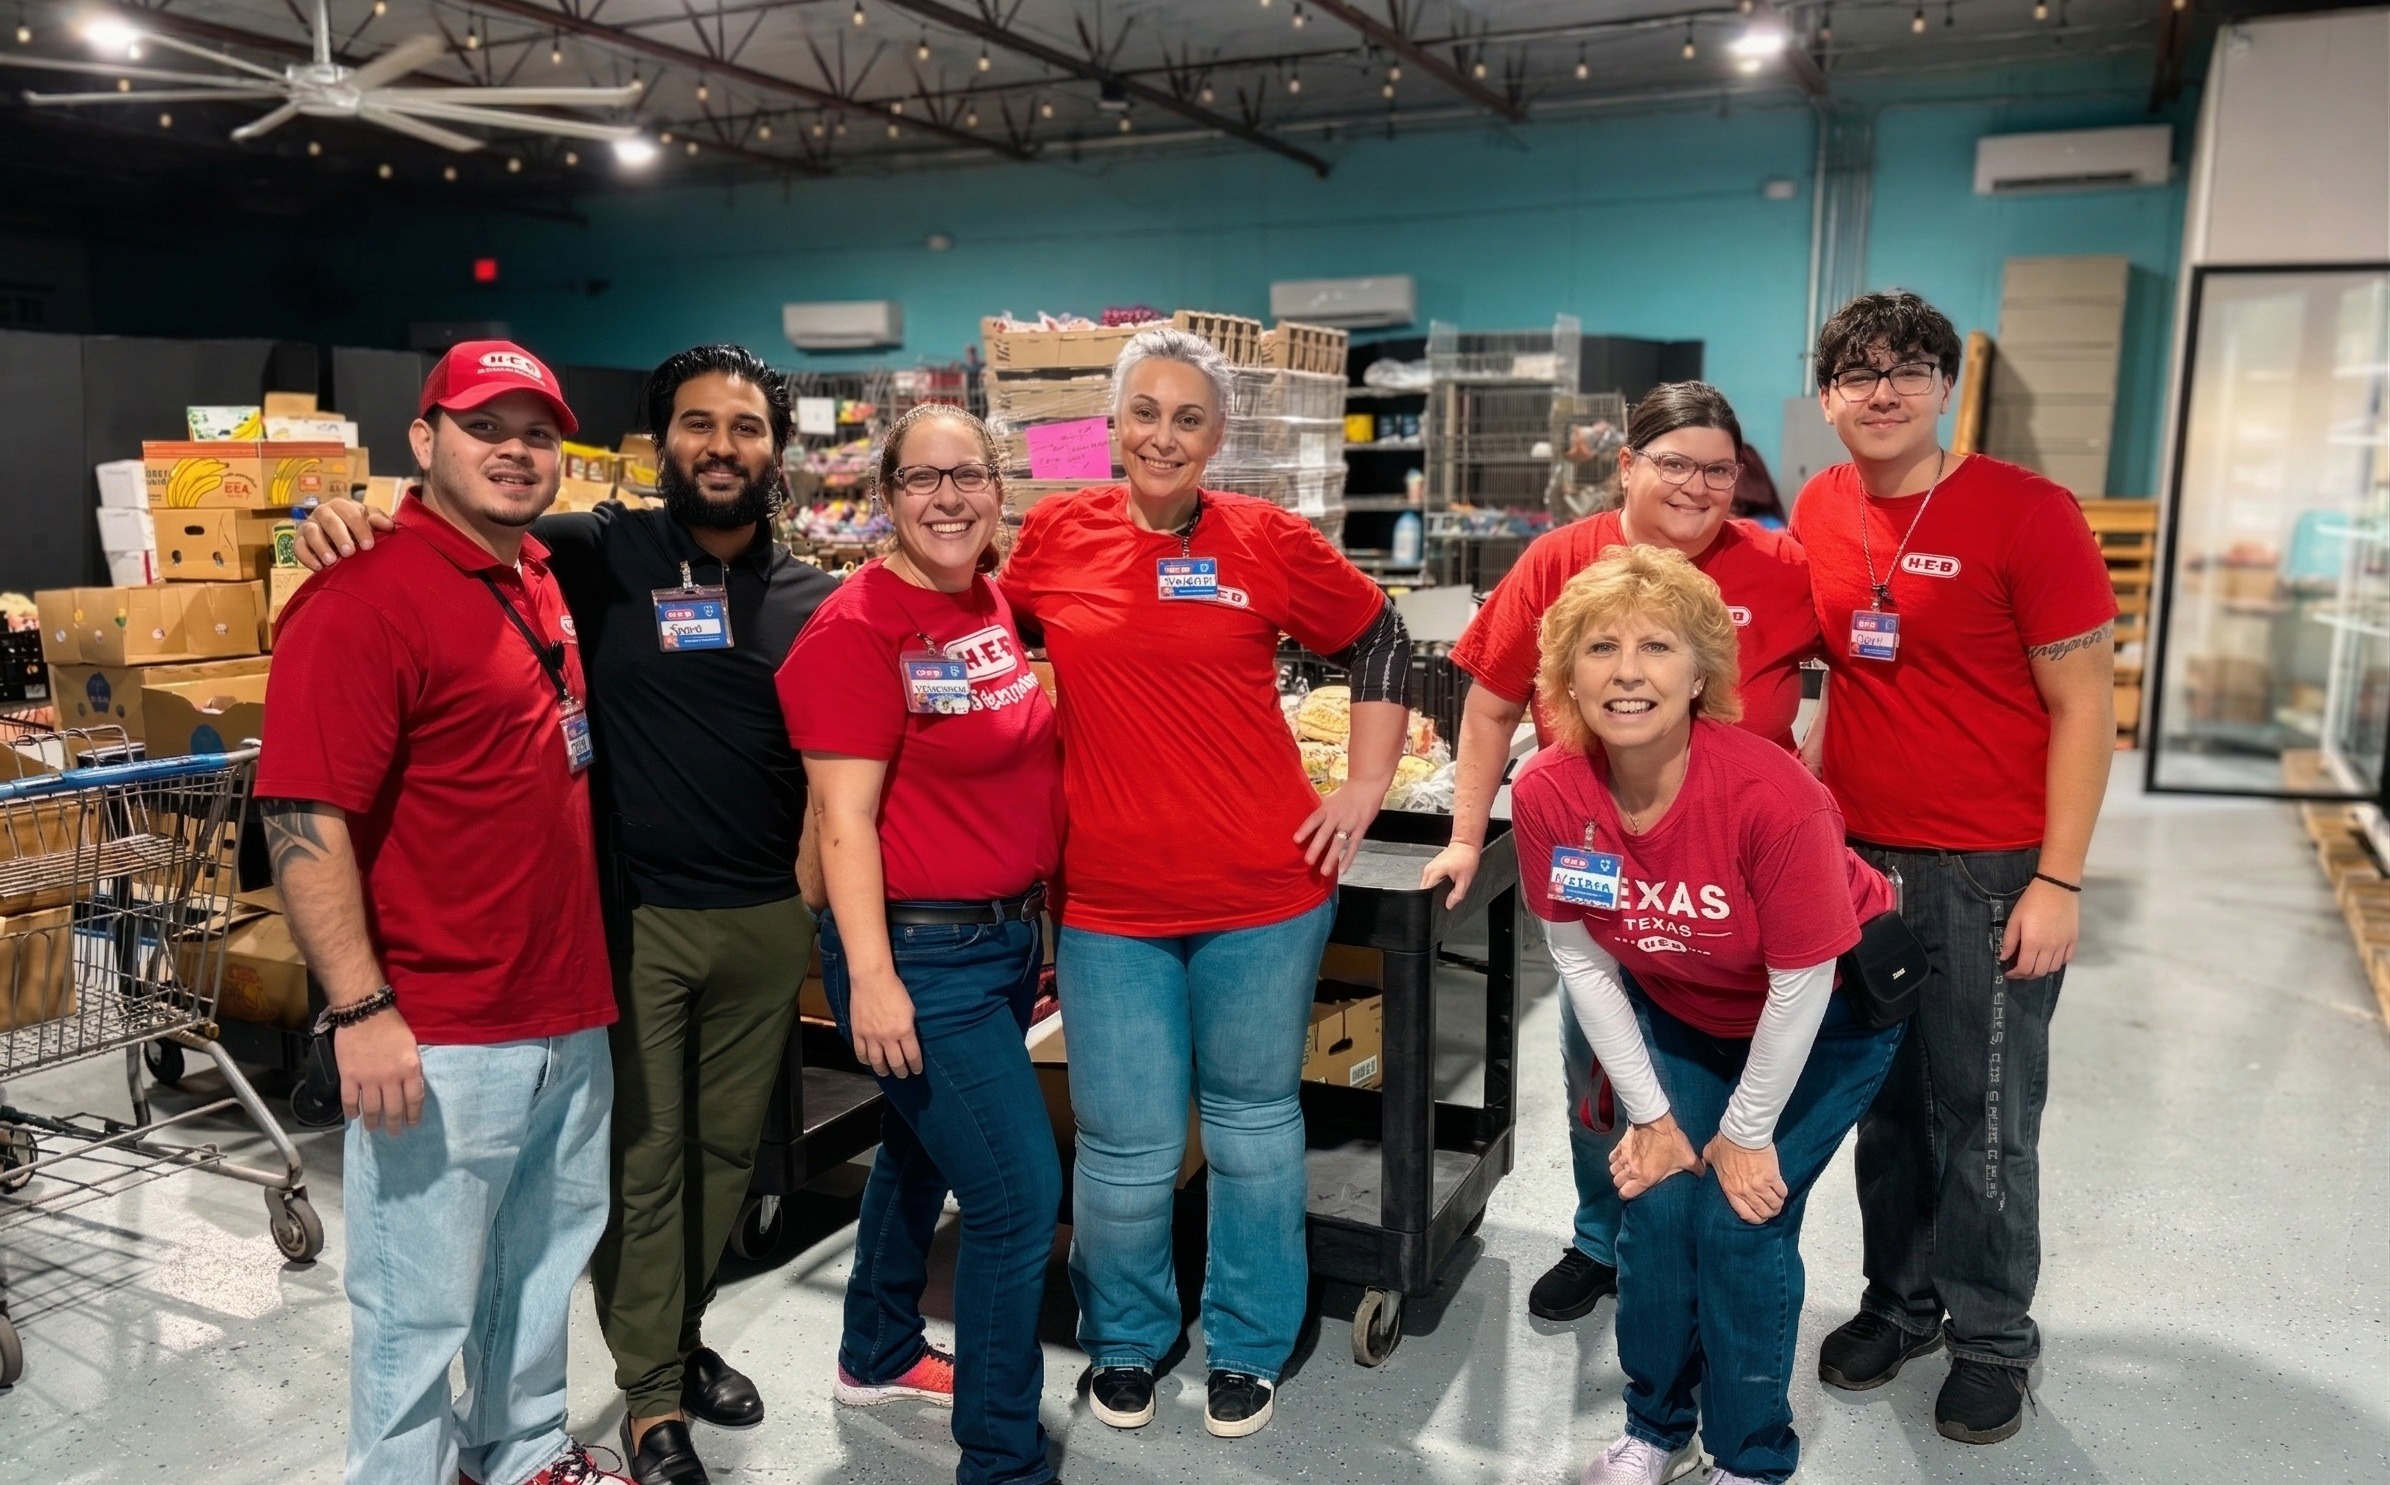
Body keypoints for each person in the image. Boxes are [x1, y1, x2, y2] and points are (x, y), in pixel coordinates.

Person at [293, 346, 839, 1485]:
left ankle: (551, 1429)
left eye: (745, 428)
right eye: (697, 424)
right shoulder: (591, 552)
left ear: (777, 453)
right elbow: (307, 805)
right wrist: (338, 517)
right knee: (468, 1267)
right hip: (574, 951)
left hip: (619, 966)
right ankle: (627, 1398)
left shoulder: (788, 595)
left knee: (608, 1215)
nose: (721, 447)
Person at [998, 325, 1412, 1439]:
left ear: (1218, 434)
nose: (1163, 436)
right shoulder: (1052, 536)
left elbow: (1381, 637)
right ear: (1111, 425)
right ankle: (1126, 1338)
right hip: (1105, 903)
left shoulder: (1264, 540)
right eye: (1145, 413)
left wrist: (1362, 789)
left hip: (1261, 891)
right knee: (1125, 1147)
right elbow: (983, 639)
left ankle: (1247, 1341)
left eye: (1188, 417)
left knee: (1251, 1125)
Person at [258, 342, 629, 1485]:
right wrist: (361, 1008)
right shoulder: (360, 597)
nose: (515, 451)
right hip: (441, 1023)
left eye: (536, 432)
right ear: (422, 443)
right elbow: (301, 816)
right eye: (484, 426)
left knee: (537, 1266)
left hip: (564, 1004)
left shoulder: (531, 574)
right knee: (417, 1305)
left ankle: (517, 1455)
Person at [1421, 383, 1820, 1326]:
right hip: (1601, 866)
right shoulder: (1562, 558)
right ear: (1627, 464)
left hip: (1737, 881)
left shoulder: (1779, 564)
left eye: (1717, 468)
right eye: (1673, 462)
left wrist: (1820, 800)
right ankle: (1603, 1236)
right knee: (1599, 1070)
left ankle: (1708, 1241)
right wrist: (1469, 835)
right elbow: (1488, 700)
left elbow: (1864, 676)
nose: (1695, 485)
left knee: (1735, 1071)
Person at [1792, 290, 2116, 1446]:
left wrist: (2058, 879)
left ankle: (1990, 1339)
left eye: (1908, 370)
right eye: (1857, 374)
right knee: (1886, 1112)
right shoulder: (1820, 507)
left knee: (1982, 1117)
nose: (1882, 392)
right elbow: (1835, 684)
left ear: (1943, 388)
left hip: (1989, 868)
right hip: (1859, 866)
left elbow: (2086, 706)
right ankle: (1903, 1303)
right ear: (1825, 397)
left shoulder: (2025, 512)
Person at [1509, 546, 1906, 1485]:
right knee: (1655, 1201)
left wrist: (1747, 1129)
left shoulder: (1771, 795)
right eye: (1600, 647)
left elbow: (1802, 982)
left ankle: (1750, 1455)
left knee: (1736, 1218)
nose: (1629, 671)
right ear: (1567, 672)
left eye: (1658, 646)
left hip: (1831, 1016)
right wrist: (1653, 1118)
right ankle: (1656, 1426)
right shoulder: (1550, 792)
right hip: (1687, 1005)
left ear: (1700, 675)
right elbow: (1581, 960)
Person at [778, 403, 1064, 1485]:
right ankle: (999, 1458)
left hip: (996, 942)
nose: (947, 499)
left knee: (919, 1149)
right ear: (884, 498)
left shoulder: (989, 598)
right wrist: (875, 983)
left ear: (998, 489)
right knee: (1012, 1196)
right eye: (919, 480)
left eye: (969, 477)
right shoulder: (859, 629)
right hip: (915, 956)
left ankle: (878, 1349)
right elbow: (842, 821)